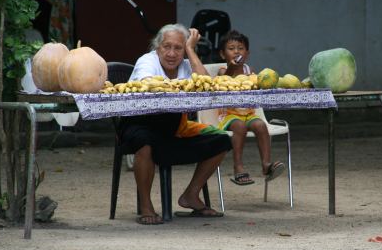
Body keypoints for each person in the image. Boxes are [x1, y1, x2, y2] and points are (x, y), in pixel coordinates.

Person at [119, 24, 232, 225]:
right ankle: (146, 205)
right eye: (166, 47)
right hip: (139, 124)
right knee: (145, 143)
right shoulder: (147, 61)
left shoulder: (187, 65)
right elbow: (150, 87)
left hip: (173, 129)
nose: (171, 53)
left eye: (178, 48)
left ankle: (190, 195)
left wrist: (190, 50)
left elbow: (207, 85)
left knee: (221, 140)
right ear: (157, 48)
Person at [216, 30, 285, 186]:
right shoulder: (222, 70)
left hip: (249, 113)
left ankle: (266, 165)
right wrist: (231, 69)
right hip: (229, 115)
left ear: (247, 53)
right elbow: (223, 79)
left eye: (240, 48)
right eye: (231, 48)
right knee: (239, 127)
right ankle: (238, 167)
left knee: (260, 125)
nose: (236, 52)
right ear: (222, 54)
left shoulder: (250, 71)